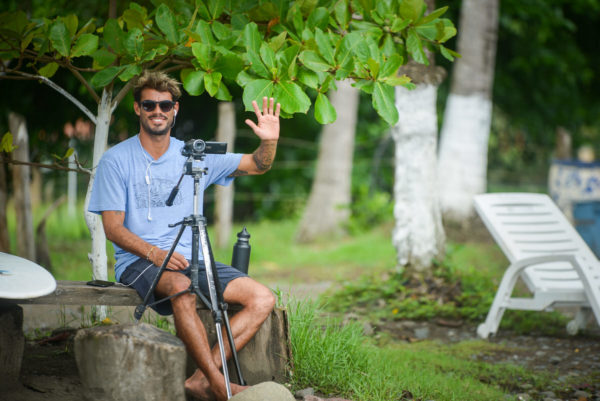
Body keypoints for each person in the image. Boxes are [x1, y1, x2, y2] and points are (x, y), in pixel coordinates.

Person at [88, 70, 279, 401]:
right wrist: (155, 254)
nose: (157, 111)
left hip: (194, 259)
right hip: (140, 261)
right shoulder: (116, 160)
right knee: (181, 286)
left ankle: (202, 379)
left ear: (175, 109)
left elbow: (258, 165)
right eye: (149, 105)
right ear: (137, 109)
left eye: (165, 105)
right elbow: (113, 229)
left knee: (262, 298)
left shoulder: (195, 154)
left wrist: (269, 141)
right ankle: (221, 387)